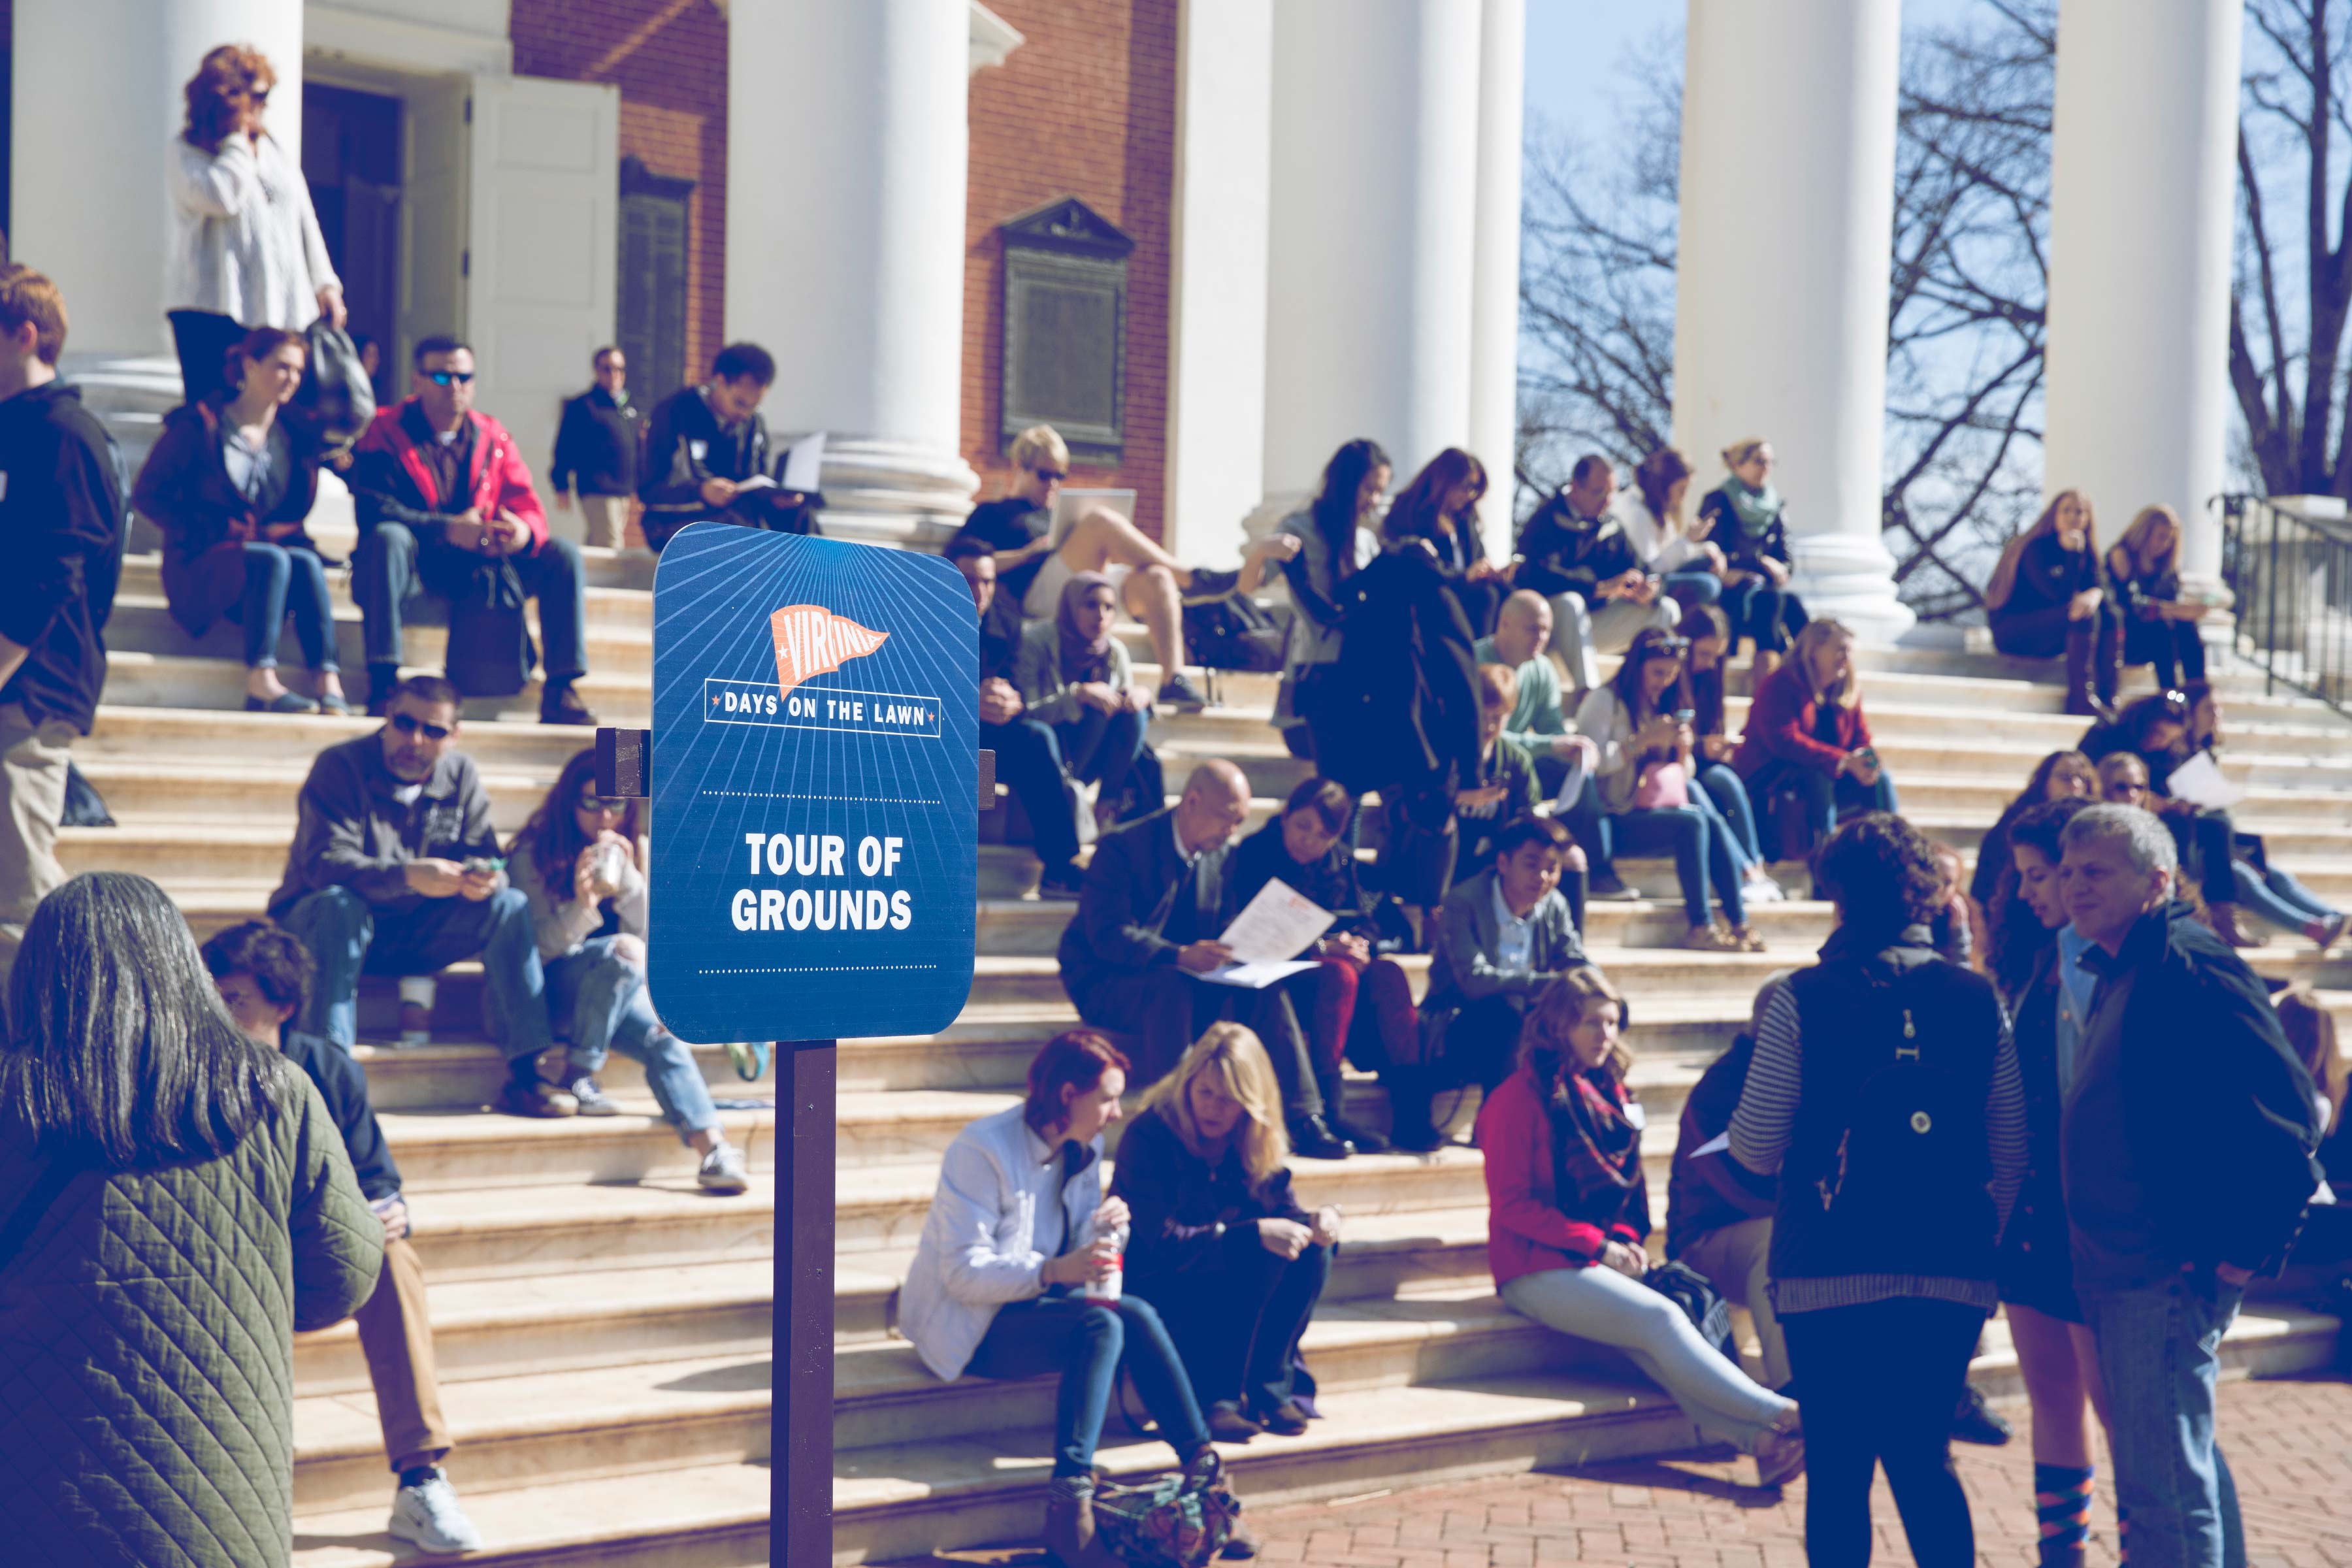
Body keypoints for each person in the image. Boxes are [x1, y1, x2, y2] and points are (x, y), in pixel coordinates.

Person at [0, 873, 382, 1568]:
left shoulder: (12, 1098)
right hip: (224, 1515)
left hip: (31, 1509)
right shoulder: (277, 1091)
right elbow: (343, 1277)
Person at [1730, 812, 2027, 1567]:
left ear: (1839, 896)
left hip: (1826, 1268)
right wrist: (1971, 1238)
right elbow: (2011, 1151)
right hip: (1947, 1273)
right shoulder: (1976, 998)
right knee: (1926, 1462)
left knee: (1838, 1475)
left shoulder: (1801, 997)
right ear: (1924, 894)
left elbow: (1757, 1150)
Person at [2056, 804, 2322, 1568]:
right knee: (2167, 1475)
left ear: (2157, 881)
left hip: (2162, 1270)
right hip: (2120, 1269)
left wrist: (2234, 1260)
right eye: (2069, 871)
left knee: (2164, 1491)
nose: (2076, 886)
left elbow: (2289, 1118)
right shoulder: (2124, 963)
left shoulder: (2190, 964)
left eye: (2096, 871)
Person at [199, 919, 485, 1554]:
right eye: (210, 994)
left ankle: (420, 1478)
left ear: (285, 1005)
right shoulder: (183, 1071)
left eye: (235, 999)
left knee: (396, 1260)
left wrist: (387, 1212)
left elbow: (379, 1179)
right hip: (217, 1267)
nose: (217, 1011)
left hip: (310, 1264)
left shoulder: (326, 1069)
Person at [897, 1031, 1226, 1568]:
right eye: (1108, 1098)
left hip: (1034, 1307)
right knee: (1103, 1327)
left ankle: (1205, 1477)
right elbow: (961, 1273)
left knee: (1135, 1313)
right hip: (971, 1325)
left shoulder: (1085, 1145)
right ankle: (1071, 1502)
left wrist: (1108, 1232)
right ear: (1068, 1093)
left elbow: (1079, 1254)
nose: (1118, 1113)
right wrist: (1055, 1271)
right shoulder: (981, 1149)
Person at [1482, 970, 1805, 1486]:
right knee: (1661, 1318)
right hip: (1534, 1265)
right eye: (1590, 1022)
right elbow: (1512, 1206)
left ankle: (1761, 1442)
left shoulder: (1611, 1095)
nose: (1604, 1034)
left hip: (1599, 1258)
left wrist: (1627, 1244)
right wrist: (1598, 1245)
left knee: (1652, 1348)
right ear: (1558, 1026)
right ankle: (1789, 1414)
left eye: (1612, 1022)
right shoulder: (1516, 1098)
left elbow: (1629, 1198)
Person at [267, 674, 578, 1119]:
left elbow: (486, 853)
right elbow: (323, 864)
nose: (414, 740)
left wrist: (484, 880)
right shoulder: (339, 766)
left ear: (453, 736)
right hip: (323, 932)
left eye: (432, 731)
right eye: (405, 723)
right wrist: (407, 876)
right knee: (339, 905)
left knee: (509, 905)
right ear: (387, 716)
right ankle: (328, 1081)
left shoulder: (462, 774)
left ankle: (527, 1074)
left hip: (415, 933)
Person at [1054, 759, 1353, 1158]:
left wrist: (1249, 950)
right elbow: (1107, 936)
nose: (1233, 833)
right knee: (1171, 982)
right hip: (1107, 980)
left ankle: (1303, 1116)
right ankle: (1174, 1121)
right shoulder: (1122, 847)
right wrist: (1178, 955)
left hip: (1187, 978)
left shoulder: (1219, 856)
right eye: (1228, 820)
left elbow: (1220, 923)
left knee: (1265, 989)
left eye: (1240, 823)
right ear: (1192, 801)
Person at [506, 749, 751, 1192]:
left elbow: (655, 941)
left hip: (612, 998)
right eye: (590, 802)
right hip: (553, 996)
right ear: (567, 802)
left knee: (663, 1035)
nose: (604, 814)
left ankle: (712, 1148)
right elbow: (534, 954)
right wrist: (582, 907)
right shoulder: (532, 854)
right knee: (623, 950)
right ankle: (580, 1069)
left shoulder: (636, 848)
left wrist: (633, 880)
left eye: (616, 804)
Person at [951, 422, 1296, 713]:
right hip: (1036, 594)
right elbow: (957, 564)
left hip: (1085, 585)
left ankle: (1173, 678)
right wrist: (1028, 553)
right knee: (1100, 522)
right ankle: (1192, 579)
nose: (1053, 484)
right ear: (1019, 469)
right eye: (1045, 475)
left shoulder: (1056, 514)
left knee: (1157, 578)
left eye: (1060, 475)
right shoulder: (992, 514)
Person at [1984, 796, 2113, 1567]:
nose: (2029, 890)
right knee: (2052, 1401)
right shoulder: (2028, 962)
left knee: (2118, 1409)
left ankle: (2152, 1548)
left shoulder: (2102, 964)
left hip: (2092, 1219)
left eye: (2044, 875)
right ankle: (2059, 1557)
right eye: (2025, 876)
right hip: (2030, 1213)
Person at [348, 336, 596, 724]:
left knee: (561, 554)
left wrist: (521, 532)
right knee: (386, 538)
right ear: (417, 380)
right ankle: (383, 682)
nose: (456, 386)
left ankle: (562, 688)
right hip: (415, 566)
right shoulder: (383, 431)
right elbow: (373, 509)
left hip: (478, 562)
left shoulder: (493, 436)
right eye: (443, 377)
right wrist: (446, 529)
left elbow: (527, 506)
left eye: (464, 377)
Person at [1113, 1022, 1339, 1442]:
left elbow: (1284, 1210)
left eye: (1230, 1100)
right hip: (1161, 1280)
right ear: (1188, 1085)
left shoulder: (1250, 1138)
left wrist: (1320, 1220)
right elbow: (1160, 1242)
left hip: (1230, 1279)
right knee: (1259, 1246)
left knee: (1311, 1249)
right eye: (1206, 1094)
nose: (1214, 1109)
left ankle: (1270, 1389)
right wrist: (1248, 1235)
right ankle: (1220, 1398)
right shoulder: (1150, 1134)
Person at [0, 265, 123, 1000]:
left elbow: (56, 577)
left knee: (19, 893)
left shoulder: (65, 435)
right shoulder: (20, 431)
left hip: (31, 694)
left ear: (25, 335)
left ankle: (66, 1037)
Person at [133, 324, 346, 715]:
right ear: (249, 365)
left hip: (264, 575)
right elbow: (147, 494)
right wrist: (202, 528)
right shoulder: (200, 426)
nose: (291, 379)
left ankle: (326, 677)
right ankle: (260, 679)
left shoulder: (295, 434)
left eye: (298, 371)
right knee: (273, 558)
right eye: (282, 367)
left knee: (304, 561)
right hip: (204, 565)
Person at [1230, 777, 1411, 1154]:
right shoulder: (1253, 853)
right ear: (1285, 817)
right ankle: (1327, 1106)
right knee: (1339, 973)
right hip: (1274, 976)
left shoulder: (1341, 862)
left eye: (1323, 834)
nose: (1309, 841)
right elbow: (1247, 930)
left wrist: (1363, 943)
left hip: (1330, 976)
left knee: (1388, 974)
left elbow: (1380, 918)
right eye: (1302, 827)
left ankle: (1411, 1103)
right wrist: (1322, 946)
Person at [166, 44, 344, 404]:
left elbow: (302, 214)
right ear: (229, 99)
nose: (265, 106)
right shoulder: (188, 151)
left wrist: (325, 282)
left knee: (284, 415)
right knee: (214, 414)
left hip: (279, 308)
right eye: (258, 96)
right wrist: (235, 141)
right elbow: (222, 197)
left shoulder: (273, 149)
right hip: (213, 311)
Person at [1400, 815, 1587, 1151]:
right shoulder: (1464, 900)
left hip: (1522, 1018)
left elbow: (1575, 957)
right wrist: (1546, 984)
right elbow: (1473, 981)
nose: (1543, 878)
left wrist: (1596, 988)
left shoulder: (1553, 904)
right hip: (1458, 1020)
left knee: (1595, 1010)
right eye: (1532, 865)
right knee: (1507, 1010)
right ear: (1503, 862)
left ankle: (1575, 1119)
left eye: (1552, 868)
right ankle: (1493, 1125)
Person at [1576, 627, 1759, 951]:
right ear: (1638, 665)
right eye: (1658, 672)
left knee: (1711, 819)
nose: (1663, 681)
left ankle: (1740, 922)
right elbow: (1589, 763)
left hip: (1651, 807)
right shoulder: (1605, 701)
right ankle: (1701, 925)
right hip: (1613, 815)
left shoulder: (1662, 703)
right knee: (1694, 821)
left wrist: (1682, 752)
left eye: (1672, 674)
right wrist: (1640, 743)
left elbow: (1683, 778)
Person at [1665, 975, 1794, 1395]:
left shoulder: (1807, 1075)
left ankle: (1944, 1388)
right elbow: (1739, 1188)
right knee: (1779, 1238)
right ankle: (1798, 1395)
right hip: (1706, 1241)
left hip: (1780, 1227)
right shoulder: (1722, 1087)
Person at [951, 535, 1092, 898]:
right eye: (968, 580)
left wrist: (1011, 700)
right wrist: (968, 699)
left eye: (987, 581)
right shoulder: (925, 619)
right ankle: (958, 856)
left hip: (988, 740)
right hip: (940, 736)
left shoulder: (1007, 623)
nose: (979, 591)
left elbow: (1019, 687)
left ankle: (1060, 867)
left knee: (1035, 738)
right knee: (977, 758)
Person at [1476, 588, 1625, 900]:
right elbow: (1486, 732)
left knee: (1575, 771)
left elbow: (1552, 731)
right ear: (1504, 624)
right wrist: (1549, 743)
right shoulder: (1476, 662)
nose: (1542, 637)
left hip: (1522, 765)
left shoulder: (1542, 669)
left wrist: (1572, 748)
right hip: (1481, 763)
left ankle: (1593, 862)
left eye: (1546, 630)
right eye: (1534, 628)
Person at [1012, 574, 1161, 840]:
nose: (1100, 615)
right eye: (1091, 605)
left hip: (1095, 753)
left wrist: (1142, 696)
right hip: (1046, 753)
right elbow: (1026, 712)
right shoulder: (1037, 640)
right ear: (1071, 604)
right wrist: (1078, 695)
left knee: (1133, 714)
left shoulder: (1114, 651)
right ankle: (1068, 796)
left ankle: (1107, 804)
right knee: (1096, 708)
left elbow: (1126, 718)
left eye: (1109, 607)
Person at [1733, 619, 1896, 860]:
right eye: (1840, 649)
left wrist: (1866, 760)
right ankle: (1825, 863)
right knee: (1818, 775)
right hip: (1775, 779)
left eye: (1849, 651)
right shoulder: (1781, 683)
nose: (1846, 658)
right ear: (1814, 649)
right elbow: (1783, 740)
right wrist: (1841, 761)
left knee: (1880, 780)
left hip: (1827, 778)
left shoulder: (1847, 689)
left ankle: (1891, 856)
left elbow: (1861, 737)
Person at [1513, 454, 1678, 693]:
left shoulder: (1610, 525)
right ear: (1576, 488)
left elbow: (1644, 569)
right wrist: (1598, 588)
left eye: (1611, 493)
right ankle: (1586, 692)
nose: (1607, 501)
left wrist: (1650, 590)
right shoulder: (1547, 520)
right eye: (1598, 492)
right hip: (1551, 627)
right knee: (1572, 602)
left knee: (1666, 609)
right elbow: (1539, 575)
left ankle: (1637, 692)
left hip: (1594, 626)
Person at [638, 342, 817, 549]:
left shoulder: (754, 422)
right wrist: (702, 492)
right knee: (732, 526)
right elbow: (649, 492)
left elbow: (756, 480)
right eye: (740, 403)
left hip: (737, 517)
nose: (745, 414)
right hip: (674, 522)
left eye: (754, 406)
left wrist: (776, 499)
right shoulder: (674, 412)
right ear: (719, 382)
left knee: (802, 514)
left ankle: (820, 578)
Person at [1277, 438, 1388, 762]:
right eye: (1370, 489)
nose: (1376, 501)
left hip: (1360, 678)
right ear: (1346, 483)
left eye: (1381, 491)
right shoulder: (1299, 529)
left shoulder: (1368, 542)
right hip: (1314, 683)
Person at [1984, 489, 2117, 715]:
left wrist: (2096, 592)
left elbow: (2103, 588)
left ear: (2088, 520)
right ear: (2054, 514)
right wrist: (2072, 555)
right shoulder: (2034, 548)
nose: (2073, 517)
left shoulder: (2088, 550)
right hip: (2014, 633)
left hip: (2053, 631)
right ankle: (2080, 697)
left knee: (2110, 614)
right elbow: (2059, 597)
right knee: (2085, 613)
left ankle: (2108, 696)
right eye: (2066, 510)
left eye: (2080, 512)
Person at [1694, 440, 1808, 681]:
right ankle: (1764, 686)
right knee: (1770, 602)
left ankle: (1810, 673)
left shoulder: (1775, 507)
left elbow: (1785, 561)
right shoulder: (1718, 500)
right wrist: (1759, 562)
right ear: (1737, 465)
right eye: (1759, 461)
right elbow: (1711, 551)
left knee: (1793, 605)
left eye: (1770, 462)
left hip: (1763, 589)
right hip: (1729, 591)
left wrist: (1777, 567)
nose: (1766, 468)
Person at [1970, 750, 2099, 945]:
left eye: (2082, 778)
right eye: (2065, 777)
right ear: (2044, 781)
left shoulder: (2099, 832)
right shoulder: (2014, 830)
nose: (2075, 784)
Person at [1384, 447, 1508, 636]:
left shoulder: (1465, 518)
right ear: (1446, 480)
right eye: (1467, 486)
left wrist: (1489, 571)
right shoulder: (1411, 511)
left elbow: (1478, 557)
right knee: (1486, 596)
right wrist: (1465, 576)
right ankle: (1476, 661)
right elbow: (1419, 565)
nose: (1471, 494)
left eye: (1475, 488)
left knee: (1513, 596)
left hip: (1462, 589)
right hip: (1434, 592)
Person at [1449, 663, 1542, 895]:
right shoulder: (1446, 753)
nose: (1489, 725)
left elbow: (1526, 818)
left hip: (1492, 867)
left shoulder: (1516, 761)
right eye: (1483, 716)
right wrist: (1459, 798)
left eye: (1497, 717)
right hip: (1445, 864)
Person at [2104, 504, 2207, 692]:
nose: (2165, 545)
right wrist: (2175, 610)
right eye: (2161, 537)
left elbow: (2175, 603)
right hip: (2123, 639)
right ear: (2144, 533)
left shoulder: (2166, 568)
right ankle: (2169, 697)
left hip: (2160, 642)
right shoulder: (2121, 555)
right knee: (2162, 627)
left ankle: (2198, 695)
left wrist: (2190, 610)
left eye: (2170, 540)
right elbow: (2132, 605)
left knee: (2187, 626)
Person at [550, 344, 642, 551]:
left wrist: (642, 487)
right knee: (612, 547)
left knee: (597, 546)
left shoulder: (628, 407)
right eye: (607, 368)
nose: (614, 374)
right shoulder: (584, 406)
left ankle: (584, 582)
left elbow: (635, 449)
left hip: (623, 491)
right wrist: (561, 485)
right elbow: (564, 447)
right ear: (596, 371)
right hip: (598, 490)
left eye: (619, 369)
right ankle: (613, 585)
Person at [1621, 447, 1728, 621]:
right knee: (1708, 585)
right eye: (1681, 489)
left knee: (1708, 562)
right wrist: (1687, 540)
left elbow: (1672, 552)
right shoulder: (1637, 513)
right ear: (1663, 485)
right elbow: (1652, 568)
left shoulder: (1658, 507)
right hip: (1642, 585)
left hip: (1658, 574)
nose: (1684, 496)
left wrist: (1710, 549)